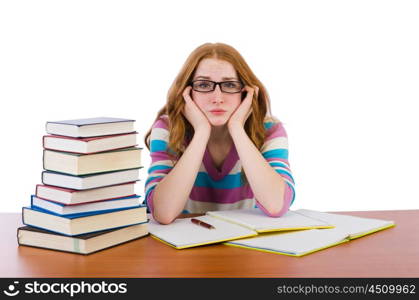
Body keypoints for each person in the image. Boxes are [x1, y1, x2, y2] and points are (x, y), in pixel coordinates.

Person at [144, 42, 295, 225]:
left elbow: (276, 205)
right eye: (204, 84)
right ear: (187, 92)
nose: (217, 98)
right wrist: (201, 132)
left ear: (246, 92)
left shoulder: (270, 130)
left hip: (244, 244)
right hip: (182, 246)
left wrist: (237, 128)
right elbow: (164, 213)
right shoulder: (168, 128)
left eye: (230, 85)